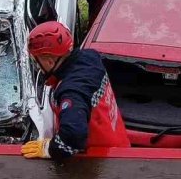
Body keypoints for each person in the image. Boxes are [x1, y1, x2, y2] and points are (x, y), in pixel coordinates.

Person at [21, 21, 130, 160]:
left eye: (37, 61)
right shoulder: (90, 58)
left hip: (101, 163)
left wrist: (48, 148)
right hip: (118, 146)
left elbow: (73, 136)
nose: (37, 66)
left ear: (49, 61)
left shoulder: (72, 92)